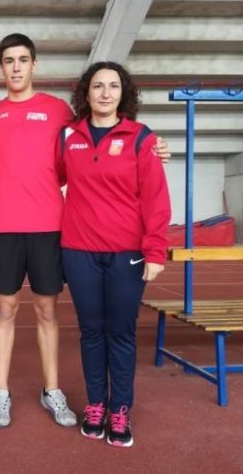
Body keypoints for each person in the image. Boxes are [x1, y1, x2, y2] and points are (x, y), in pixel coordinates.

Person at [58, 61, 171, 448]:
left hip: (127, 254)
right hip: (78, 252)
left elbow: (156, 199)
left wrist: (156, 250)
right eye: (97, 86)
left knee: (120, 334)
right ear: (85, 93)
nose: (105, 93)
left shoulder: (141, 138)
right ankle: (95, 405)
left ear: (124, 94)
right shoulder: (67, 137)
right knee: (91, 333)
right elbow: (48, 177)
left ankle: (120, 409)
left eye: (113, 86)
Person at [0, 33, 77, 429]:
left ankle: (52, 389)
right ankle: (0, 393)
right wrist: (4, 179)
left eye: (22, 59)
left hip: (49, 225)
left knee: (47, 309)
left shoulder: (59, 111)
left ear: (34, 64)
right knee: (5, 309)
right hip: (4, 226)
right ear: (0, 67)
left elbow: (77, 161)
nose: (16, 67)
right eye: (8, 60)